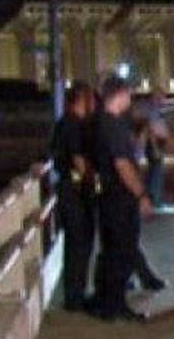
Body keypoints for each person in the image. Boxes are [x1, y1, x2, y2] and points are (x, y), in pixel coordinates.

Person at [94, 76, 154, 321]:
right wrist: (141, 194)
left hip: (106, 195)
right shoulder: (116, 126)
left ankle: (107, 304)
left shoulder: (98, 123)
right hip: (121, 197)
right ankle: (116, 307)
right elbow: (123, 165)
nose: (130, 100)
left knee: (111, 251)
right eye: (129, 95)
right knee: (123, 250)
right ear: (119, 95)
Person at [50, 81, 97, 311]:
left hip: (68, 189)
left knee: (75, 244)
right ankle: (75, 298)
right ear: (82, 99)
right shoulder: (73, 125)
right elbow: (78, 161)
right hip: (75, 192)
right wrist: (95, 181)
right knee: (79, 243)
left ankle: (75, 295)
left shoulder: (63, 123)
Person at [145, 89, 169, 207]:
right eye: (162, 97)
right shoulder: (154, 111)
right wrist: (155, 148)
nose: (164, 99)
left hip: (158, 143)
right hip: (155, 143)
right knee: (156, 173)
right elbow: (152, 131)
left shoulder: (157, 110)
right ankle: (155, 199)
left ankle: (154, 198)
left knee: (155, 171)